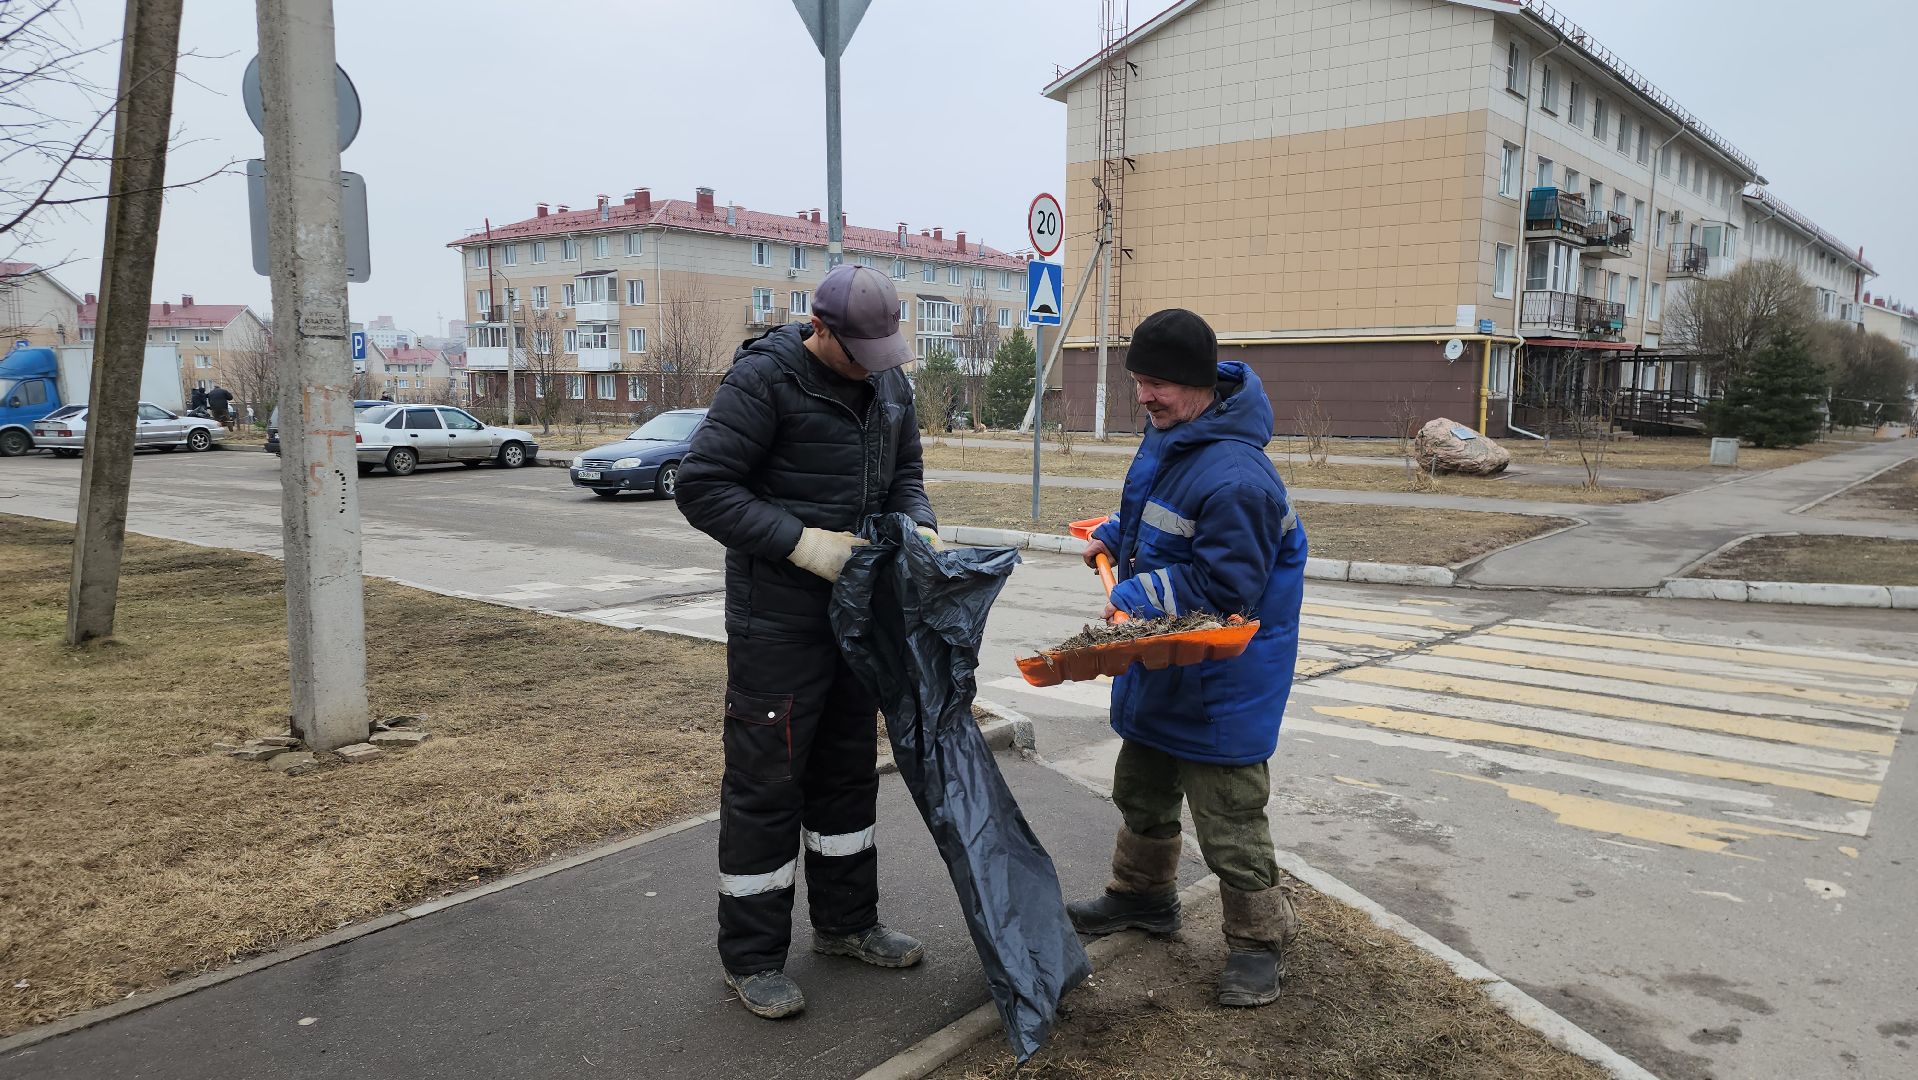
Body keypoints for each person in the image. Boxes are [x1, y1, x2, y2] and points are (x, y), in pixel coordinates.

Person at [676, 264, 940, 1021]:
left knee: (847, 778)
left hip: (856, 620)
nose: (872, 367)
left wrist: (916, 519)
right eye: (858, 351)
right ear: (819, 329)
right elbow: (702, 486)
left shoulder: (888, 381)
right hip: (778, 624)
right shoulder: (765, 382)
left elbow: (907, 473)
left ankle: (848, 926)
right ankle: (753, 958)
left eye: (882, 352)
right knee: (768, 788)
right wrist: (801, 544)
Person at [1068, 308, 1307, 1008]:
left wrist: (1133, 591)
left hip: (1223, 682)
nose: (1143, 395)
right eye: (1138, 380)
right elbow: (1157, 517)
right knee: (1141, 789)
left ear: (1198, 384)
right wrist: (1114, 533)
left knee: (1229, 818)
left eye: (1156, 384)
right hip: (1167, 666)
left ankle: (1260, 946)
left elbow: (1224, 588)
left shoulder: (1238, 477)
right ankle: (1141, 898)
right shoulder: (1175, 434)